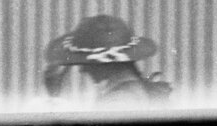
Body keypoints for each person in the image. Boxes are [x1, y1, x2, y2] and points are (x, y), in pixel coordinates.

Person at [42, 14, 172, 101]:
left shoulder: (120, 100)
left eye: (85, 63)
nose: (82, 70)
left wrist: (55, 96)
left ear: (105, 63)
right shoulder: (125, 91)